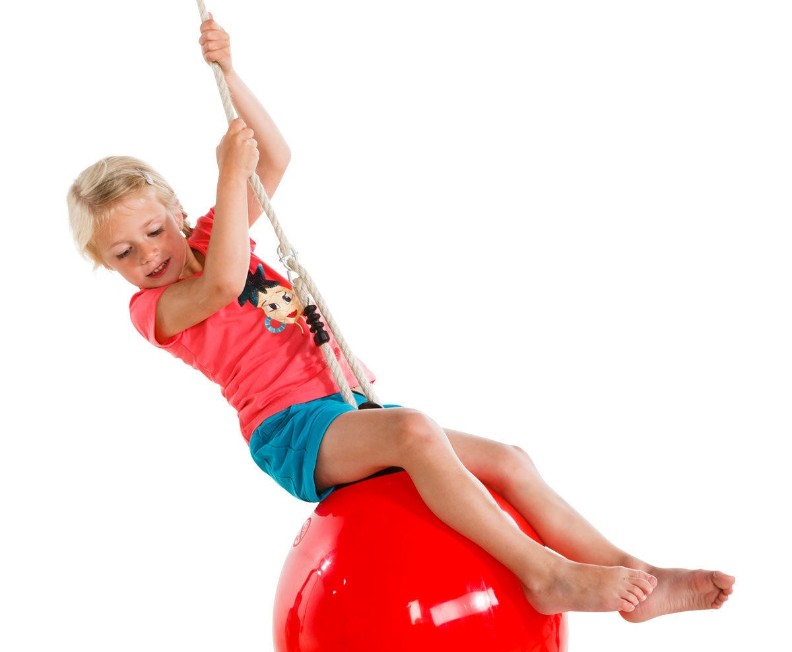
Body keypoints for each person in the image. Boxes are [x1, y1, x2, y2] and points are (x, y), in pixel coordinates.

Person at [68, 15, 734, 621]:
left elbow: (275, 157)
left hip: (346, 405)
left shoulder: (216, 231)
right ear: (106, 265)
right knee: (414, 431)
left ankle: (638, 573)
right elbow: (223, 282)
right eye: (124, 253)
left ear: (177, 213)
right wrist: (227, 172)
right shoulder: (152, 309)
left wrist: (231, 77)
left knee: (509, 461)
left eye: (154, 231)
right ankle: (545, 574)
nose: (149, 255)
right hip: (293, 431)